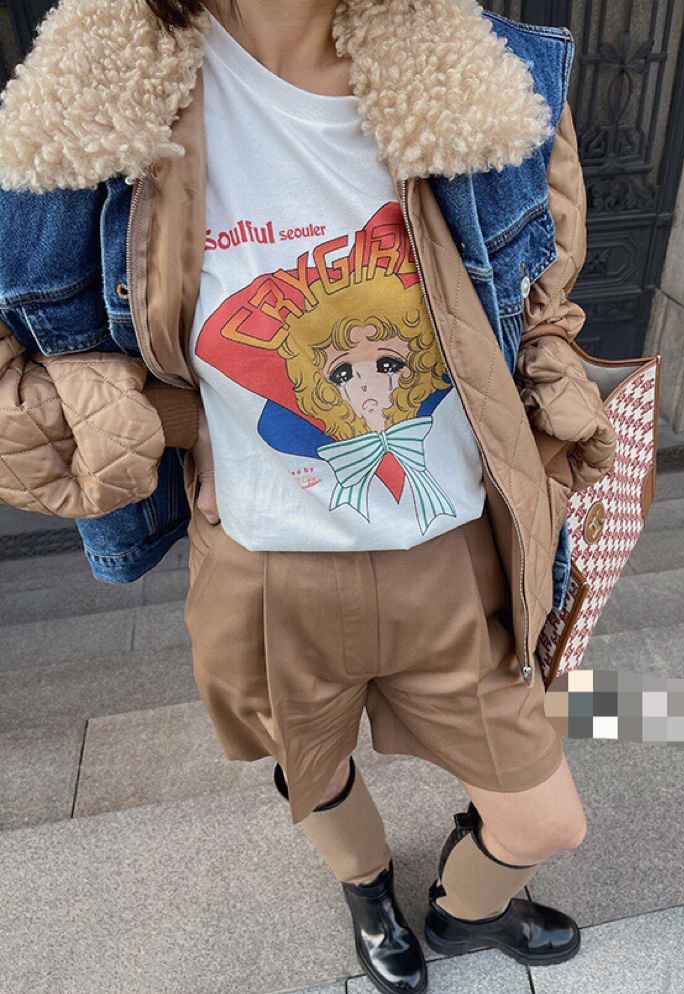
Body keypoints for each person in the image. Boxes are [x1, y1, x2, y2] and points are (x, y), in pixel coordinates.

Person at [0, 0, 617, 990]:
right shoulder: (84, 107)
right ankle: (367, 890)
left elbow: (541, 287)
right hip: (263, 564)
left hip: (452, 559)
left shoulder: (493, 73)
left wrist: (552, 384)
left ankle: (464, 911)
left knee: (546, 818)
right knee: (314, 772)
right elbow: (20, 376)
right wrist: (173, 420)